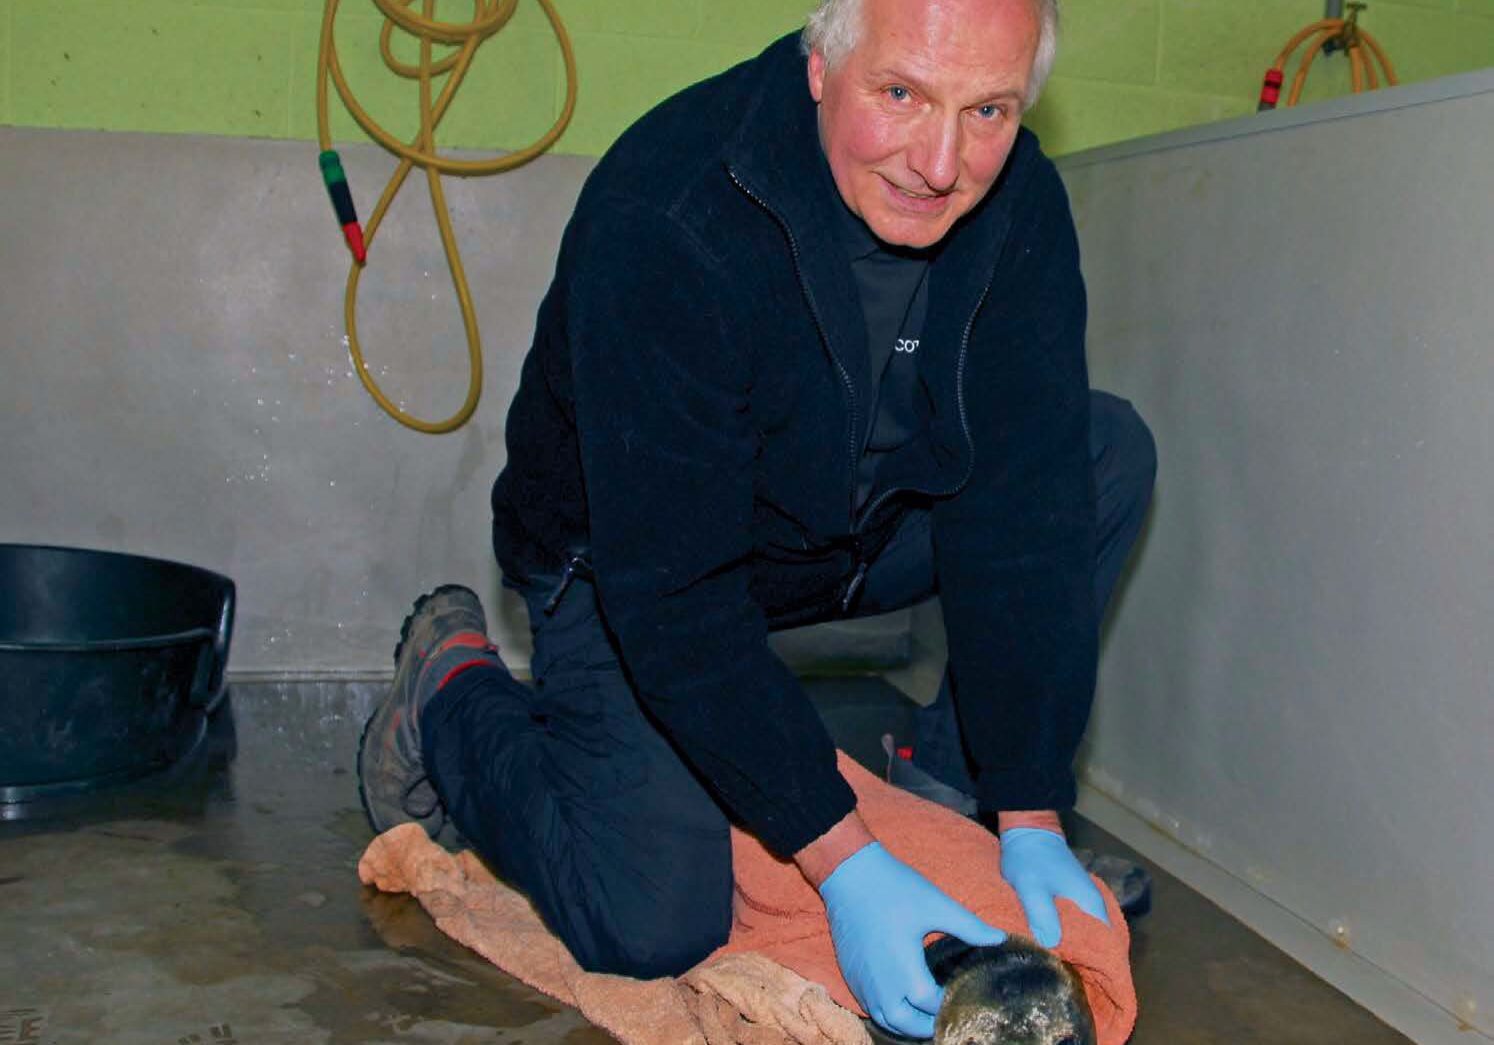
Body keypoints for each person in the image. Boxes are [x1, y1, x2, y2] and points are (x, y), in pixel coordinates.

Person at [357, 0, 1157, 1038]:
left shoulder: (1022, 207)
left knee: (1099, 452)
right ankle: (451, 688)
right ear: (822, 64)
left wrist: (1032, 806)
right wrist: (844, 862)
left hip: (840, 531)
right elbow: (676, 594)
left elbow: (1024, 515)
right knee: (650, 922)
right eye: (902, 94)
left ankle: (947, 786)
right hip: (627, 558)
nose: (941, 161)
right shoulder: (672, 212)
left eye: (990, 110)